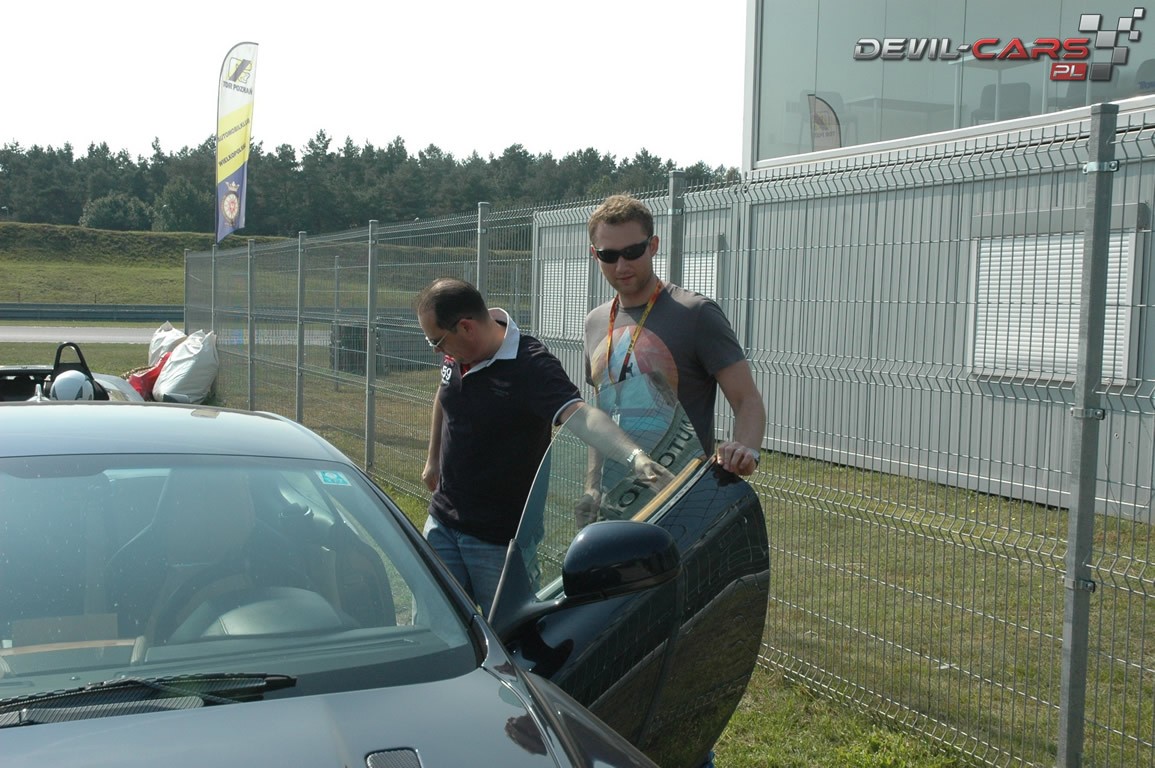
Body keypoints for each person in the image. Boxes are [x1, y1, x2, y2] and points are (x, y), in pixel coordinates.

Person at [417, 278, 667, 615]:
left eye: (436, 341)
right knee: (434, 623)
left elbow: (581, 415)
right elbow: (444, 392)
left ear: (466, 327)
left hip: (499, 541)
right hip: (443, 522)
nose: (436, 351)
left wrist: (634, 457)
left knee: (507, 634)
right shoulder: (456, 353)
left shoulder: (530, 366)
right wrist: (433, 458)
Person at [583, 194, 767, 505]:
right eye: (609, 255)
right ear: (594, 254)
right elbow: (601, 415)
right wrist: (591, 487)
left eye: (633, 251)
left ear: (653, 246)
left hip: (681, 500)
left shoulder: (696, 314)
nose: (622, 265)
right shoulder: (595, 323)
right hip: (614, 504)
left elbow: (747, 400)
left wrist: (746, 451)